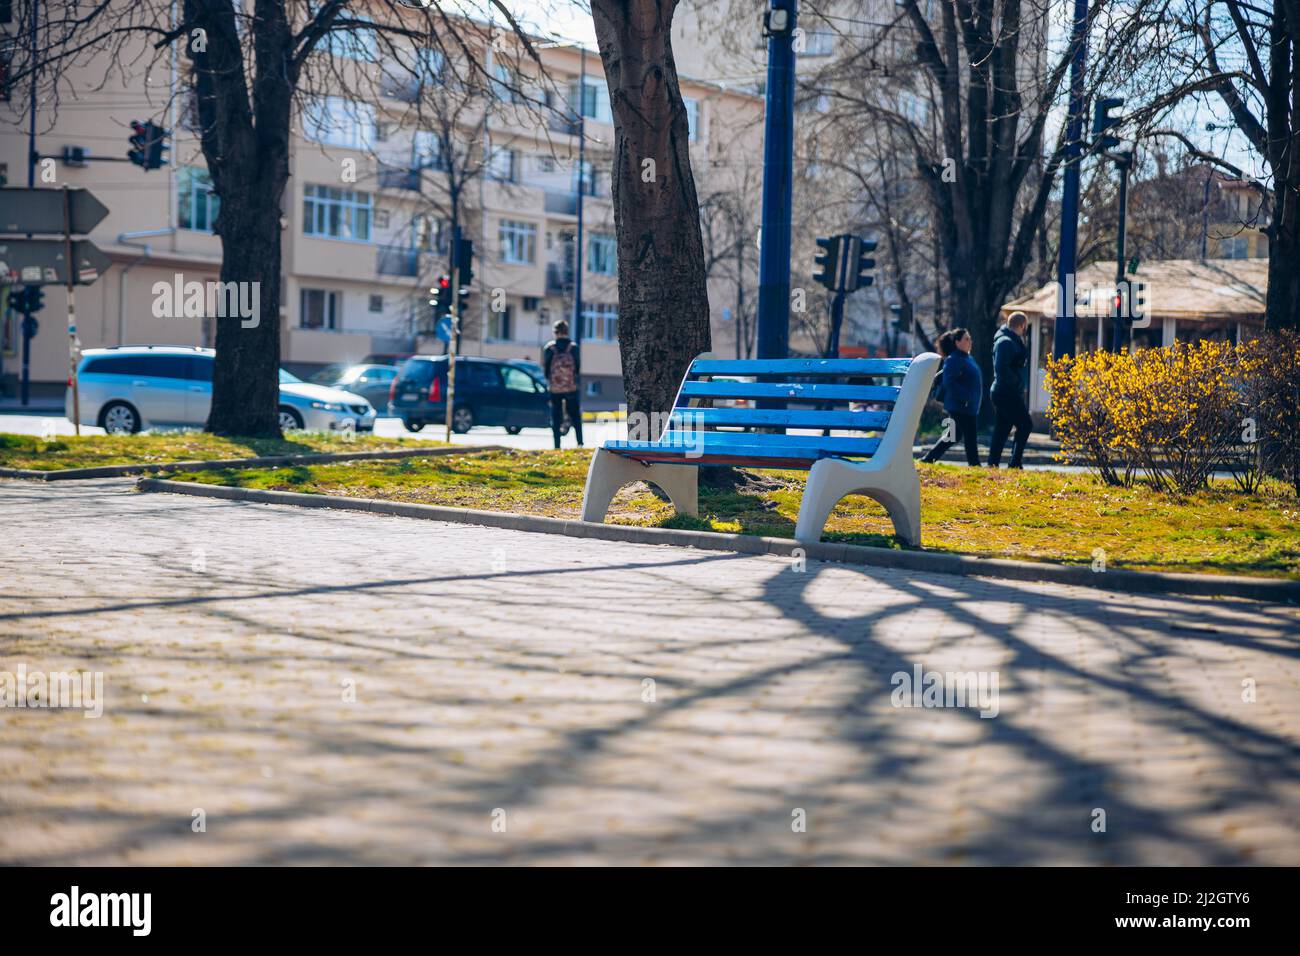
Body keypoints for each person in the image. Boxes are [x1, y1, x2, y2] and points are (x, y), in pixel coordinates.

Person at [921, 328, 983, 466]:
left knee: (953, 436)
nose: (970, 341)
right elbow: (949, 381)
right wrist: (965, 396)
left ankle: (928, 459)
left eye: (970, 338)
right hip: (960, 406)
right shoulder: (954, 359)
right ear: (957, 342)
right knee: (970, 434)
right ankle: (975, 465)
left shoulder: (967, 357)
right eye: (966, 339)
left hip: (967, 405)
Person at [989, 311, 1034, 469]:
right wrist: (1017, 383)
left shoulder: (1007, 340)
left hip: (1003, 391)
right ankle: (1015, 462)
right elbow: (1002, 369)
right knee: (1025, 424)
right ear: (1022, 325)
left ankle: (993, 463)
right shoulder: (1006, 342)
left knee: (1002, 428)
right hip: (1006, 392)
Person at [543, 319, 584, 450]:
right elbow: (577, 368)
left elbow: (546, 369)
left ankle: (557, 445)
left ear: (555, 332)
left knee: (556, 415)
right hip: (571, 387)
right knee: (575, 415)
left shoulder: (549, 348)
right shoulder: (573, 347)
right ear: (566, 331)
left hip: (555, 388)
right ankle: (579, 443)